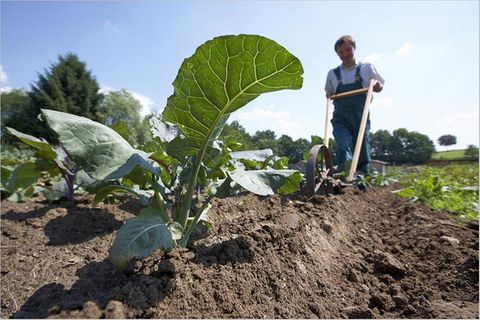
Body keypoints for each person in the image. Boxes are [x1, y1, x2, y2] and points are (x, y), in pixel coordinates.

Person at [324, 35, 385, 176]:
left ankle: (362, 176)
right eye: (341, 52)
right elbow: (329, 93)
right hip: (341, 116)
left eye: (348, 49)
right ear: (337, 54)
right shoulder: (332, 74)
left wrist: (376, 85)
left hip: (360, 115)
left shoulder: (366, 68)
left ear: (354, 48)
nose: (345, 54)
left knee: (362, 145)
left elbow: (380, 86)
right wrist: (330, 93)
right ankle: (345, 173)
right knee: (342, 144)